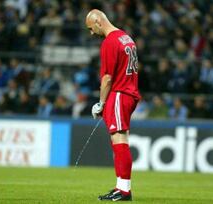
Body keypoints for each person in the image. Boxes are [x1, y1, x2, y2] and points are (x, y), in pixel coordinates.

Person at [86, 9, 140, 201]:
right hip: (130, 93)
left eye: (91, 28)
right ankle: (121, 187)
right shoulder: (126, 38)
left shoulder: (110, 42)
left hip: (119, 94)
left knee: (119, 141)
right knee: (121, 139)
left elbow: (107, 78)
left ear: (99, 22)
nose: (92, 33)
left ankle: (124, 190)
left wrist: (101, 103)